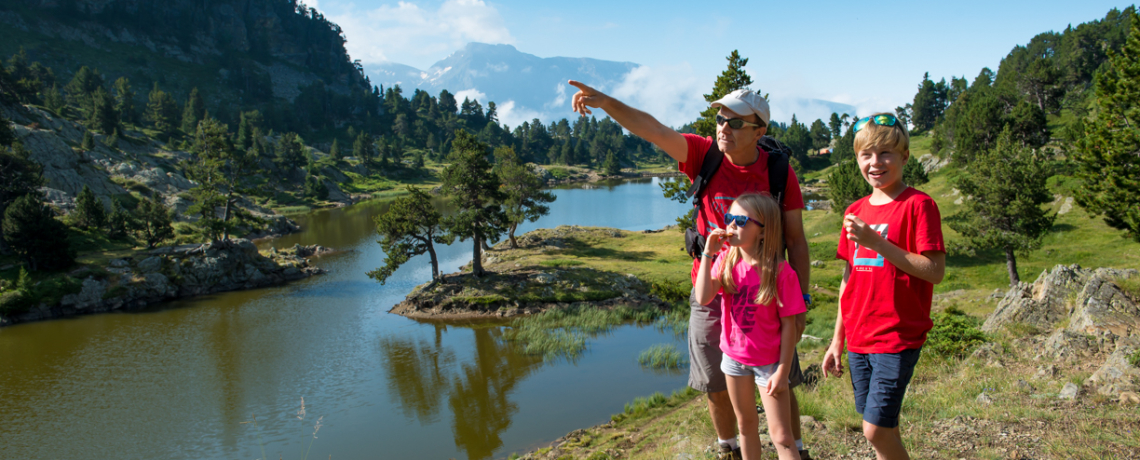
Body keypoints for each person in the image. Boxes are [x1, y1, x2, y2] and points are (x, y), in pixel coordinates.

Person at [569, 81, 813, 460]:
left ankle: (795, 449)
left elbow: (795, 241)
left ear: (759, 131)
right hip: (712, 287)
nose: (723, 128)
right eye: (720, 119)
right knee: (715, 380)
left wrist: (802, 303)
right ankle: (729, 448)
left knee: (780, 382)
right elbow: (653, 129)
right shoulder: (704, 154)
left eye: (734, 123)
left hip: (765, 290)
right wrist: (607, 104)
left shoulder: (779, 171)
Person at [821, 113, 946, 460]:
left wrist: (877, 243)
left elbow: (934, 271)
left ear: (904, 156)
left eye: (886, 153)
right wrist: (837, 341)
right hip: (859, 338)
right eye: (867, 155)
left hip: (896, 336)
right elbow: (850, 278)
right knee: (881, 428)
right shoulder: (855, 210)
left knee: (874, 430)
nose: (876, 163)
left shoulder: (919, 205)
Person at [694, 193, 805, 460]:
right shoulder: (726, 260)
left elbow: (789, 327)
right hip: (733, 360)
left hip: (768, 364)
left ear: (764, 231)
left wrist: (781, 370)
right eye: (729, 218)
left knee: (782, 437)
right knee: (745, 427)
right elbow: (703, 297)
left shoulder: (781, 272)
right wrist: (708, 253)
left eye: (740, 221)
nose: (730, 226)